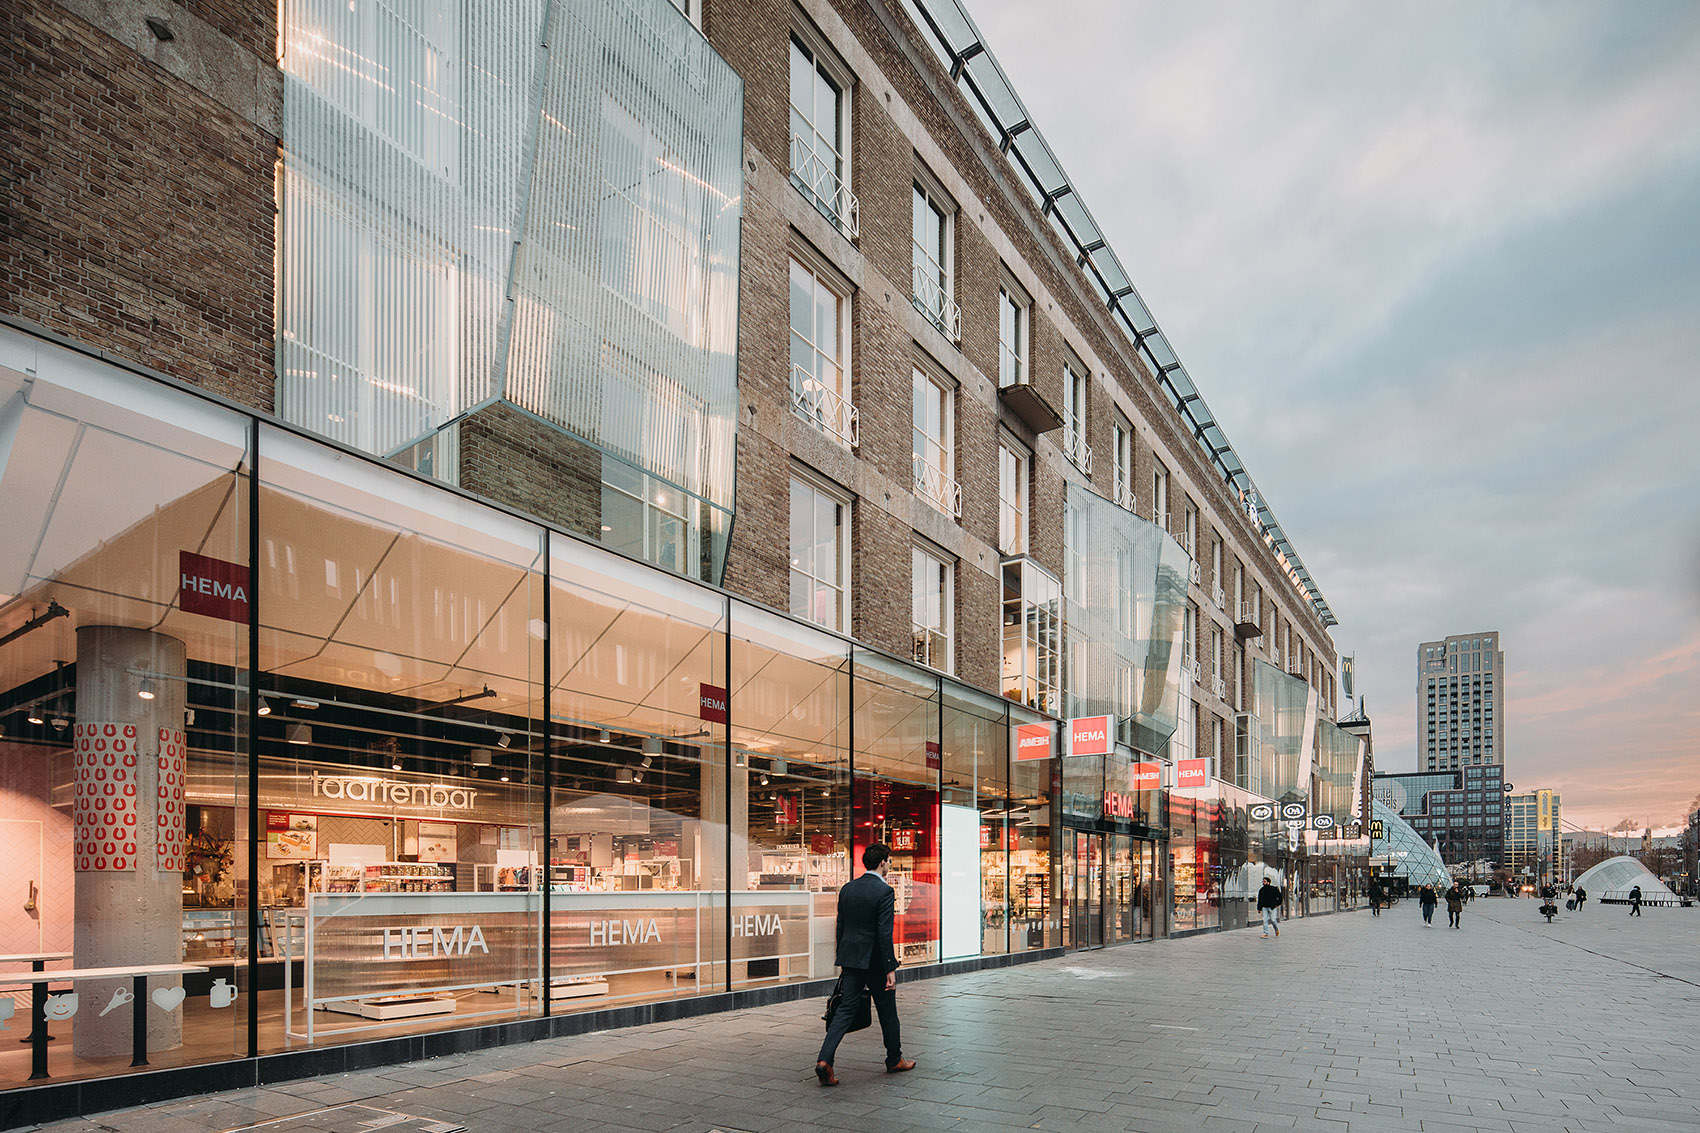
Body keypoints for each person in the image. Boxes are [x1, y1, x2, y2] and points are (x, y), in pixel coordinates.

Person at [816, 843, 915, 1085]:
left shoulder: (848, 889)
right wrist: (890, 967)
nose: (889, 865)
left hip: (851, 959)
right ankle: (894, 1059)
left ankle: (824, 1060)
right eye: (889, 861)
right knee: (887, 1011)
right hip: (875, 962)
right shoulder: (884, 892)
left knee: (845, 1010)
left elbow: (841, 926)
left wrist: (842, 958)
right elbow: (884, 932)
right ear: (883, 863)